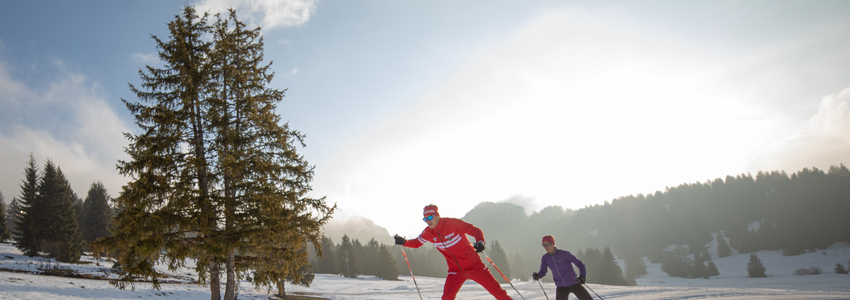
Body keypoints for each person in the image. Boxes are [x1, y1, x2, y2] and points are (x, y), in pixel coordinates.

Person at [394, 204, 513, 300]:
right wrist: (404, 241)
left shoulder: (453, 224)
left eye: (430, 217)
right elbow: (416, 243)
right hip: (455, 271)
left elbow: (475, 230)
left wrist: (480, 242)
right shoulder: (428, 233)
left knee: (499, 294)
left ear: (437, 215)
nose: (428, 221)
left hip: (475, 266)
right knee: (447, 297)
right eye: (425, 219)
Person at [533, 235, 592, 300]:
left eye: (548, 244)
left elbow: (580, 264)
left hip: (574, 283)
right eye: (544, 245)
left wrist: (582, 276)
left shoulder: (564, 254)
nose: (546, 247)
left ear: (553, 243)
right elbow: (543, 271)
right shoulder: (545, 258)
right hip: (561, 287)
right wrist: (538, 275)